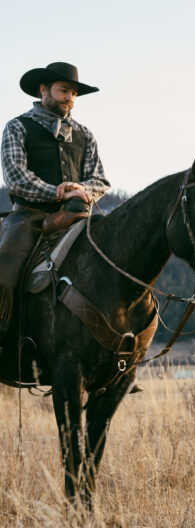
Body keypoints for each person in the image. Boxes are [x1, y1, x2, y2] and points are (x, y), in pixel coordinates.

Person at [0, 61, 110, 336]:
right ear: (44, 90)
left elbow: (100, 180)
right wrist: (58, 190)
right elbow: (16, 177)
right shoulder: (17, 127)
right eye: (64, 91)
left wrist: (78, 189)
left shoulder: (86, 135)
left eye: (73, 93)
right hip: (28, 216)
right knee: (4, 273)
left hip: (78, 217)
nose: (70, 98)